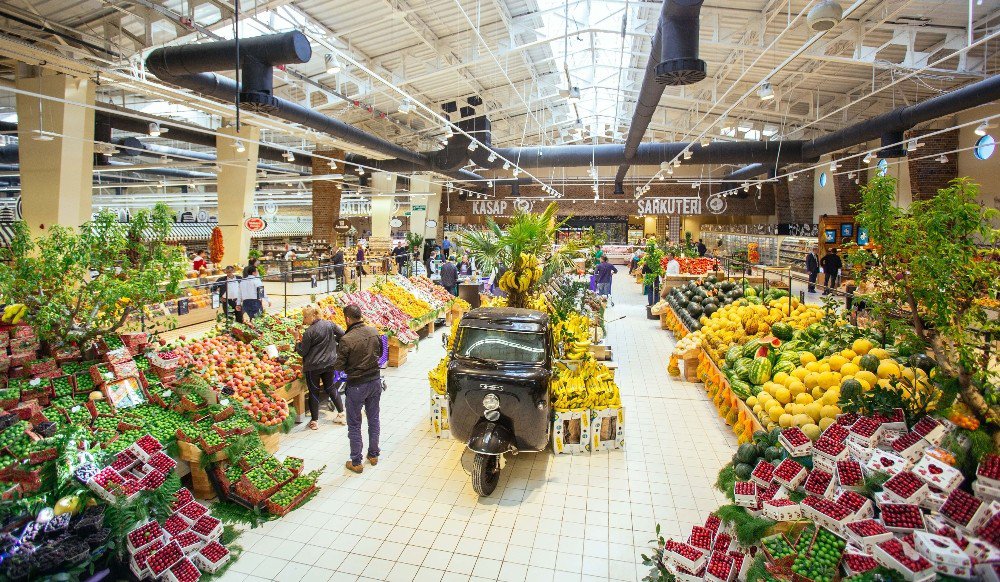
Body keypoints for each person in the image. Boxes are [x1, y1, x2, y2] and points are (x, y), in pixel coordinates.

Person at [333, 304, 384, 473]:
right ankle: (373, 454)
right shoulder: (374, 332)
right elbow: (381, 353)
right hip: (375, 381)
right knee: (373, 418)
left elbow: (339, 366)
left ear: (347, 319)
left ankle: (356, 461)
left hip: (356, 386)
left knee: (354, 424)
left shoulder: (346, 340)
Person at [294, 305, 346, 430]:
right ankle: (341, 414)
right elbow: (343, 334)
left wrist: (296, 339)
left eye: (305, 317)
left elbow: (302, 352)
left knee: (314, 391)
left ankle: (315, 421)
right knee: (330, 387)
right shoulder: (329, 324)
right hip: (329, 363)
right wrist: (334, 344)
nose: (304, 320)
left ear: (313, 316)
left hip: (314, 366)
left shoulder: (309, 332)